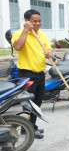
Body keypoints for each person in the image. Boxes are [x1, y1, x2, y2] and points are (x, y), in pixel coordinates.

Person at [11, 9, 54, 139]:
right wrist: (26, 30)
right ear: (26, 21)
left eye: (39, 21)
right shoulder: (18, 34)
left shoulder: (42, 35)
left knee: (37, 103)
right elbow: (18, 47)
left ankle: (31, 127)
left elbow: (48, 48)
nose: (38, 23)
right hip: (26, 75)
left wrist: (49, 52)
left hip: (40, 73)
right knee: (29, 104)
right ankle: (27, 128)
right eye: (34, 21)